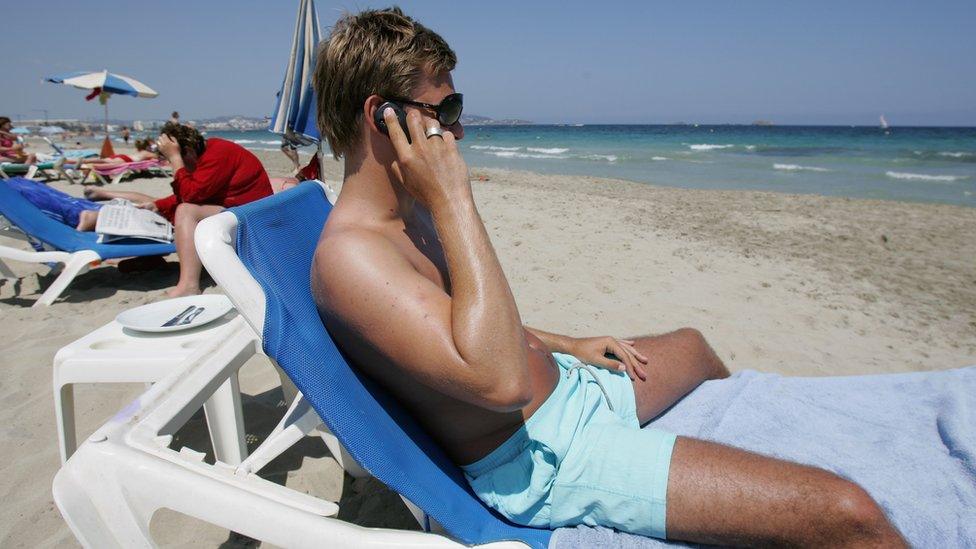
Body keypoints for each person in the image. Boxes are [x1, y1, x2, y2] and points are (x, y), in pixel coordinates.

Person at [308, 8, 906, 547]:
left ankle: (744, 462)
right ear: (381, 117)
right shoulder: (353, 258)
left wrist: (565, 344)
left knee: (693, 347)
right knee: (848, 512)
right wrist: (454, 197)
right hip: (547, 458)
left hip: (570, 390)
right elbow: (501, 382)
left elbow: (441, 318)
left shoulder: (405, 218)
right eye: (444, 113)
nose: (457, 134)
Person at [86, 122, 273, 297]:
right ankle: (152, 257)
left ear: (189, 151)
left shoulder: (218, 154)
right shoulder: (206, 154)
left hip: (251, 219)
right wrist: (158, 205)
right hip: (234, 210)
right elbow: (192, 193)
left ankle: (189, 285)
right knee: (160, 205)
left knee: (185, 211)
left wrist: (175, 159)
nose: (175, 166)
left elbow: (190, 196)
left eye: (174, 159)